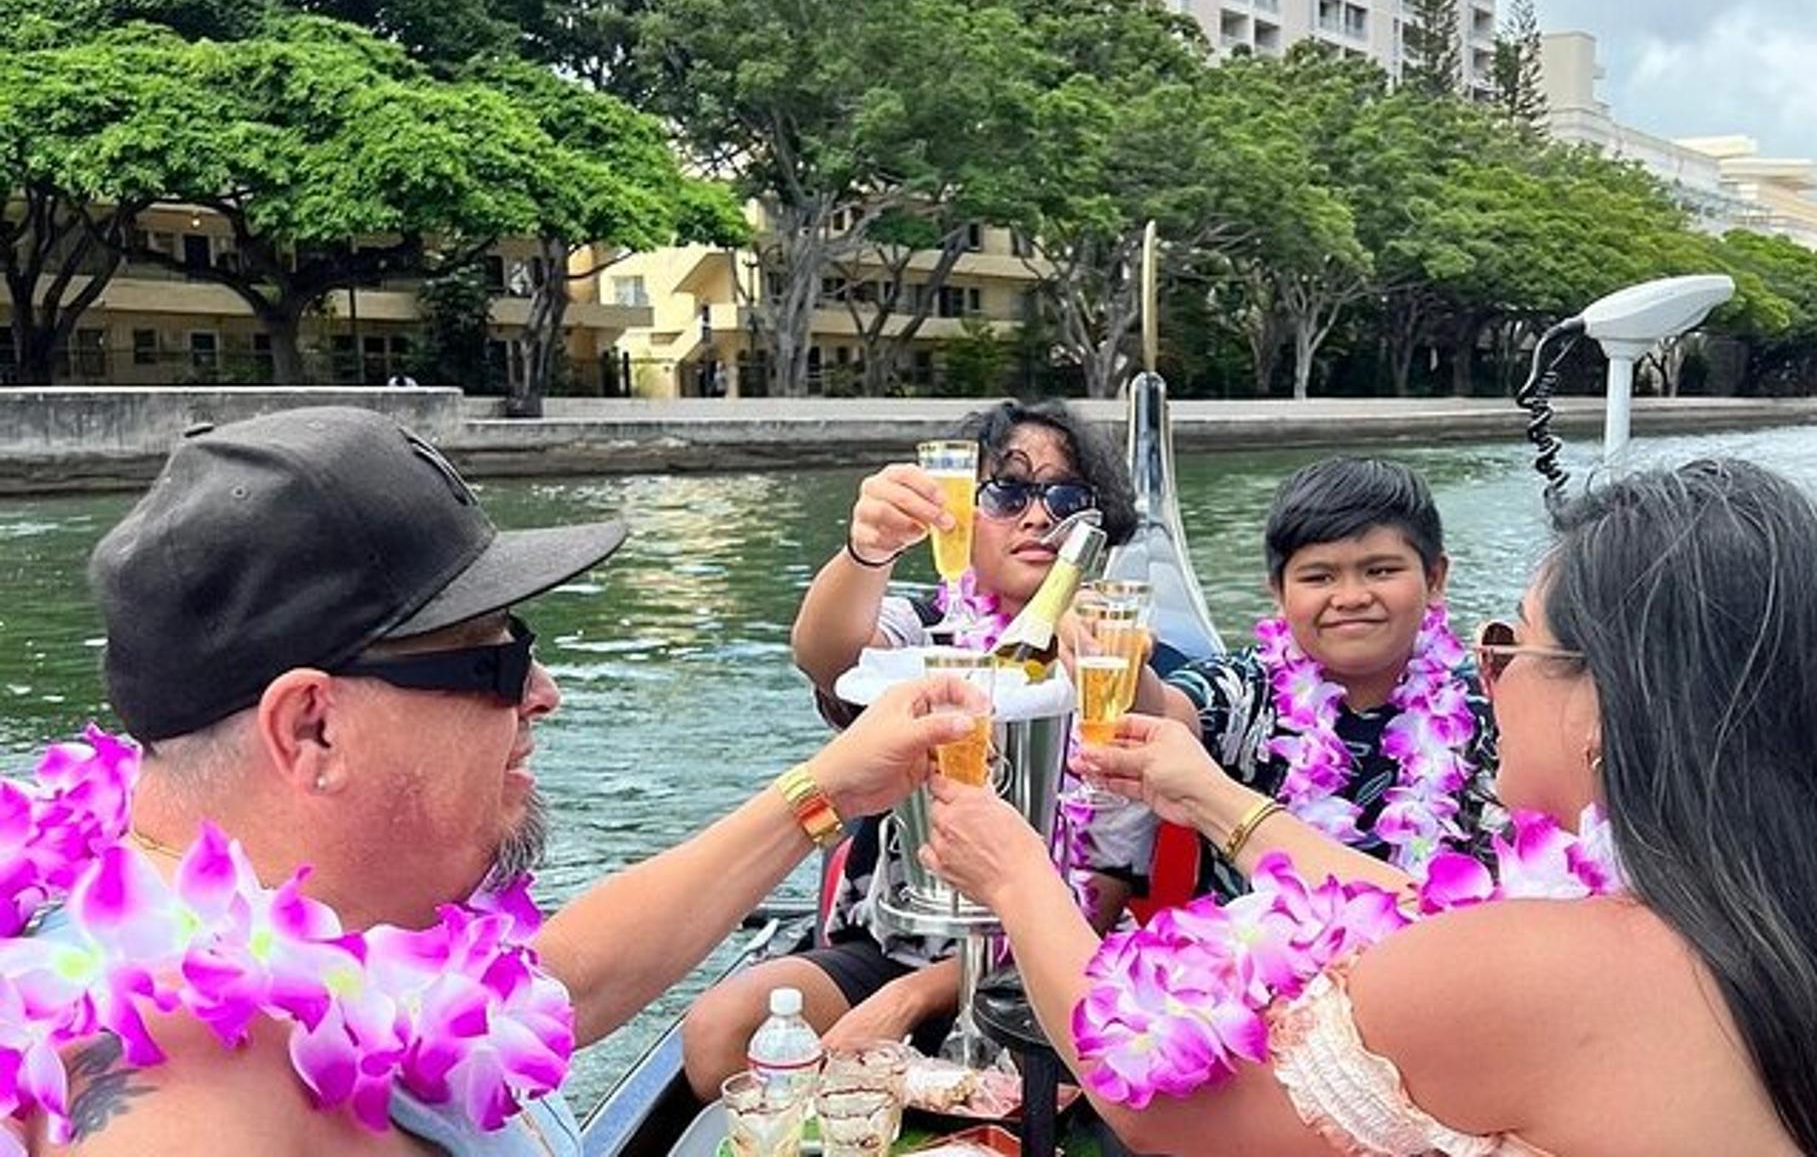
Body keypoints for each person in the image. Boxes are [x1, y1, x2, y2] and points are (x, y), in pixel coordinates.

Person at [922, 459, 1817, 1157]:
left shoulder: (1551, 965)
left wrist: (1015, 873)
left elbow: (1157, 1107)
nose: (1489, 676)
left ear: (1606, 704)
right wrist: (1213, 796)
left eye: (1514, 645)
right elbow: (1424, 908)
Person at [6, 407, 976, 1157]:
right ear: (312, 727)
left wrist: (829, 789)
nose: (544, 692)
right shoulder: (193, 1114)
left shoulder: (268, 927)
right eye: (495, 661)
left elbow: (559, 984)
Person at [682, 399, 1163, 1099]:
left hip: (1052, 961)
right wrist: (868, 549)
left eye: (1065, 497)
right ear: (961, 514)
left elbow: (1101, 894)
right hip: (895, 942)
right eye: (1007, 493)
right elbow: (825, 655)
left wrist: (915, 998)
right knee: (720, 1033)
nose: (1039, 517)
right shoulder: (926, 629)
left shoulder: (1118, 660)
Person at [1134, 456, 1496, 898]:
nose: (1351, 597)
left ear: (1435, 579)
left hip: (1442, 937)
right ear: (1278, 592)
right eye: (1319, 577)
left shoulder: (1485, 706)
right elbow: (1159, 712)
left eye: (1380, 571)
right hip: (1252, 942)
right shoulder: (1244, 691)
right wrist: (1120, 666)